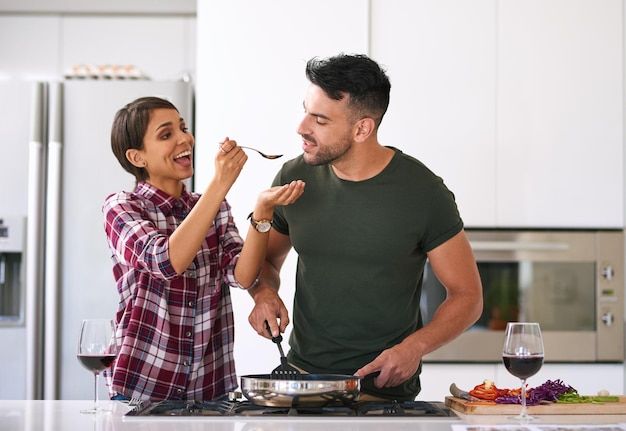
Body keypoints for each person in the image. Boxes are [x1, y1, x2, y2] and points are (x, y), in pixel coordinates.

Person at [246, 54, 483, 401]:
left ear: (362, 128)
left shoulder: (423, 191)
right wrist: (263, 292)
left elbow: (467, 296)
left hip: (383, 388)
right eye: (305, 111)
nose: (301, 127)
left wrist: (414, 347)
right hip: (303, 381)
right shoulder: (293, 177)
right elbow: (264, 264)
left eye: (320, 120)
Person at [102, 96, 305, 401]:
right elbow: (166, 262)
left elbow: (243, 276)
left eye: (182, 127)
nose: (185, 138)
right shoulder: (122, 207)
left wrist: (263, 211)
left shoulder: (213, 207)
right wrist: (220, 183)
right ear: (137, 157)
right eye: (166, 134)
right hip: (141, 389)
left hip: (210, 390)